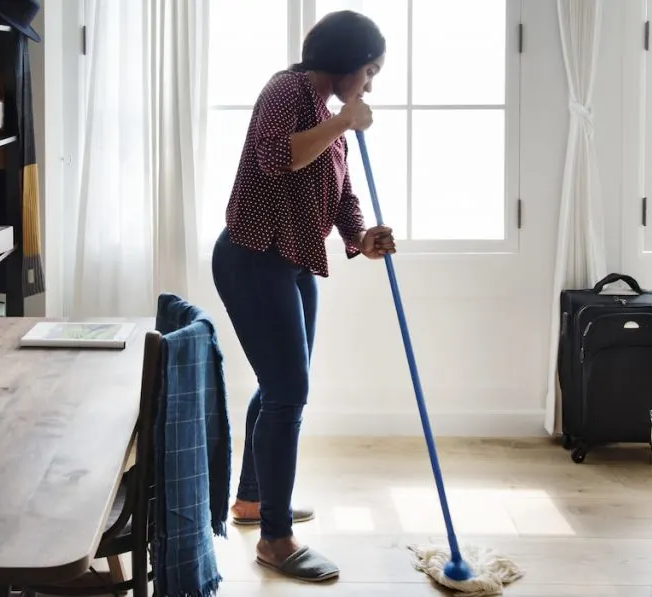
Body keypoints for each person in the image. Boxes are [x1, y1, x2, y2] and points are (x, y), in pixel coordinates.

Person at [210, 10, 394, 583]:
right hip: (253, 255)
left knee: (280, 386)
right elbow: (275, 158)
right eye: (368, 71)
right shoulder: (287, 89)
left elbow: (336, 187)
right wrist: (344, 124)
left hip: (293, 259)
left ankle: (252, 501)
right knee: (289, 390)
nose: (369, 84)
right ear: (343, 63)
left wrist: (359, 236)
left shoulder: (323, 107)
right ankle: (275, 539)